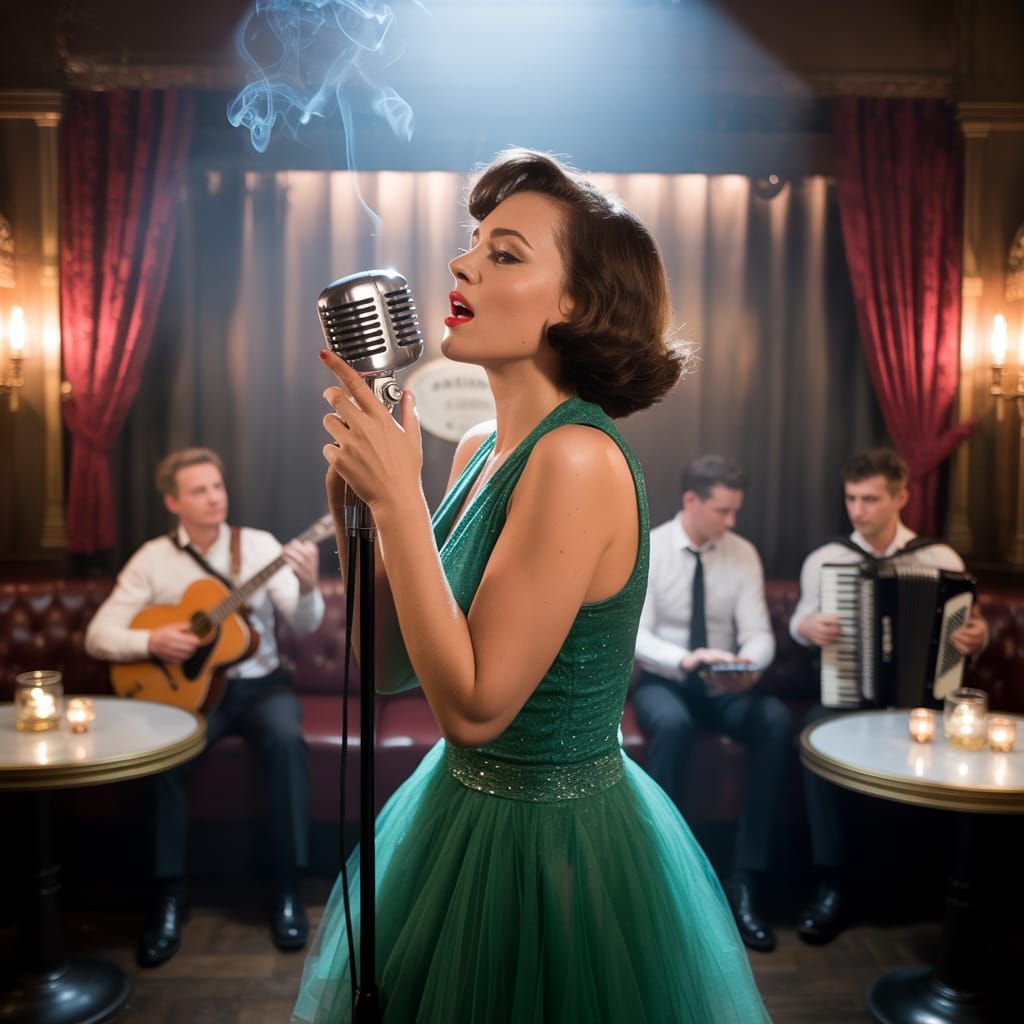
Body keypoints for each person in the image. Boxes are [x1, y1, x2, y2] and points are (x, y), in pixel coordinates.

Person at [293, 150, 771, 1023]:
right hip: (460, 804)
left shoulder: (579, 458)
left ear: (576, 305)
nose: (462, 264)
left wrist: (403, 499)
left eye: (505, 253)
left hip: (552, 845)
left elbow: (475, 710)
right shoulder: (481, 447)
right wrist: (357, 519)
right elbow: (395, 668)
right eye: (473, 243)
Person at [85, 447, 325, 966]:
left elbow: (303, 624)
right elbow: (98, 635)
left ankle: (287, 887)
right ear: (173, 501)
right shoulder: (153, 559)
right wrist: (151, 644)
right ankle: (169, 895)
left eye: (218, 486)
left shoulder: (258, 546)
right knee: (164, 762)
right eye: (199, 490)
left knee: (287, 741)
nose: (214, 497)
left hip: (261, 686)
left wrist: (307, 587)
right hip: (190, 694)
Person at [790, 447, 988, 944]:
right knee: (812, 734)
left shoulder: (940, 559)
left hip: (923, 699)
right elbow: (800, 619)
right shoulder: (827, 559)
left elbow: (968, 632)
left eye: (872, 499)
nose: (859, 510)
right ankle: (832, 882)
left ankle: (942, 887)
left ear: (903, 496)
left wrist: (974, 638)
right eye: (852, 498)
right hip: (847, 692)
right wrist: (806, 626)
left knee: (958, 739)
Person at [633, 454, 789, 952]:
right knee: (673, 727)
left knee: (777, 721)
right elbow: (638, 635)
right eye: (722, 511)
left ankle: (746, 879)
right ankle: (664, 878)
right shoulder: (651, 547)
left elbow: (760, 634)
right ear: (691, 501)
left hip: (725, 683)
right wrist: (688, 659)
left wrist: (748, 667)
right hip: (667, 679)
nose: (731, 522)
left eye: (735, 511)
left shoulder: (741, 553)